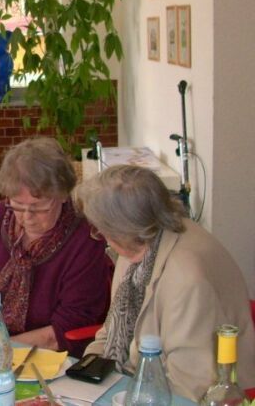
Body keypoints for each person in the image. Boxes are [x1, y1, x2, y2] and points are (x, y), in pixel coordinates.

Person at [77, 165, 255, 400]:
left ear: (123, 229)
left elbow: (189, 386)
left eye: (102, 229)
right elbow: (111, 330)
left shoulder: (187, 277)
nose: (101, 235)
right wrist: (86, 372)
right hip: (135, 382)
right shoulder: (138, 246)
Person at [0, 137, 111, 356]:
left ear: (63, 196)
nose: (27, 217)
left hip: (53, 358)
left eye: (39, 207)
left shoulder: (85, 238)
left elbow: (65, 329)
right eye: (18, 205)